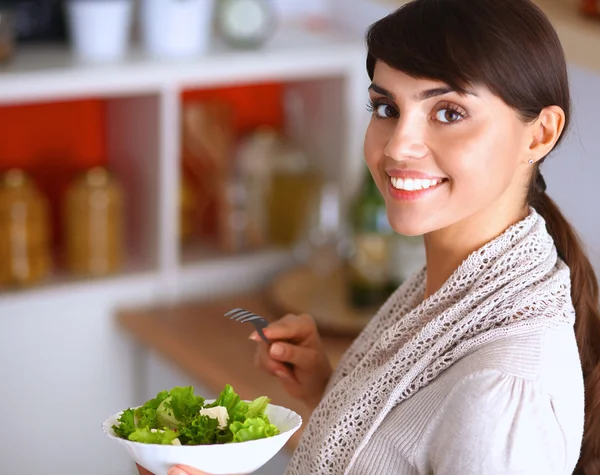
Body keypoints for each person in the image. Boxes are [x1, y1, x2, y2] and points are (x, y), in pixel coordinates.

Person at [137, 0, 600, 473]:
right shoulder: (452, 290)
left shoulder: (502, 394)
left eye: (449, 112)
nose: (399, 144)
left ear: (540, 135)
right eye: (386, 107)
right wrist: (331, 388)